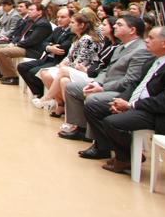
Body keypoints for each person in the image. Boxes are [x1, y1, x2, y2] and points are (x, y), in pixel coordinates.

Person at [80, 26, 165, 174]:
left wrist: (131, 105)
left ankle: (125, 158)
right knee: (93, 106)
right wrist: (120, 101)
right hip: (139, 104)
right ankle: (117, 152)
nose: (146, 41)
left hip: (159, 114)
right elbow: (135, 85)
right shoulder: (153, 62)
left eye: (151, 38)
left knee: (113, 122)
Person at [59, 14, 151, 142]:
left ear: (132, 30)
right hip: (106, 84)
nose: (114, 26)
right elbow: (106, 70)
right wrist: (96, 83)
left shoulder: (140, 50)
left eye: (119, 25)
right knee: (71, 88)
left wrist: (102, 88)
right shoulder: (121, 47)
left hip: (122, 91)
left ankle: (97, 141)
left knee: (93, 98)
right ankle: (80, 127)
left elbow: (130, 80)